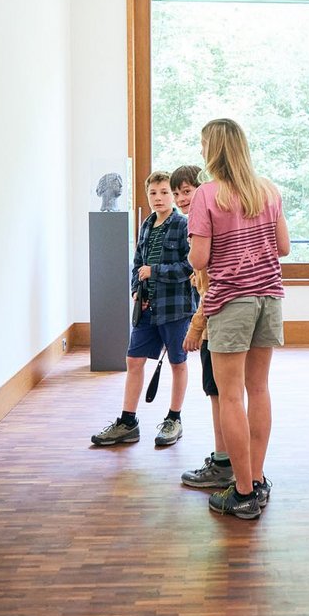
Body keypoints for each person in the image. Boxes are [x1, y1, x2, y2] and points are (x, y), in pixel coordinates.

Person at [186, 119, 290, 520]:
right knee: (258, 389)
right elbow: (282, 247)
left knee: (230, 396)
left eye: (202, 146)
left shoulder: (207, 195)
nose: (199, 152)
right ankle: (257, 479)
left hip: (231, 301)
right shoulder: (268, 190)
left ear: (213, 151)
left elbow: (198, 259)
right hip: (269, 297)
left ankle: (243, 492)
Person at [90, 172, 196, 447]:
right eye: (153, 193)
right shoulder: (147, 226)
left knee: (177, 362)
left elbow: (191, 266)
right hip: (146, 308)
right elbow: (137, 264)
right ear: (147, 195)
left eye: (164, 192)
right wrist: (137, 288)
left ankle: (174, 418)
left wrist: (155, 272)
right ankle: (128, 421)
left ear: (172, 195)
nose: (158, 198)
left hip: (175, 307)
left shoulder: (184, 226)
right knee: (134, 360)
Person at [169, 164, 232, 490]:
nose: (180, 198)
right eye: (176, 192)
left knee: (220, 395)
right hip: (216, 322)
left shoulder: (204, 226)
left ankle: (225, 462)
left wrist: (196, 327)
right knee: (221, 394)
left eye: (186, 191)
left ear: (202, 189)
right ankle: (226, 458)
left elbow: (212, 286)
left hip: (214, 325)